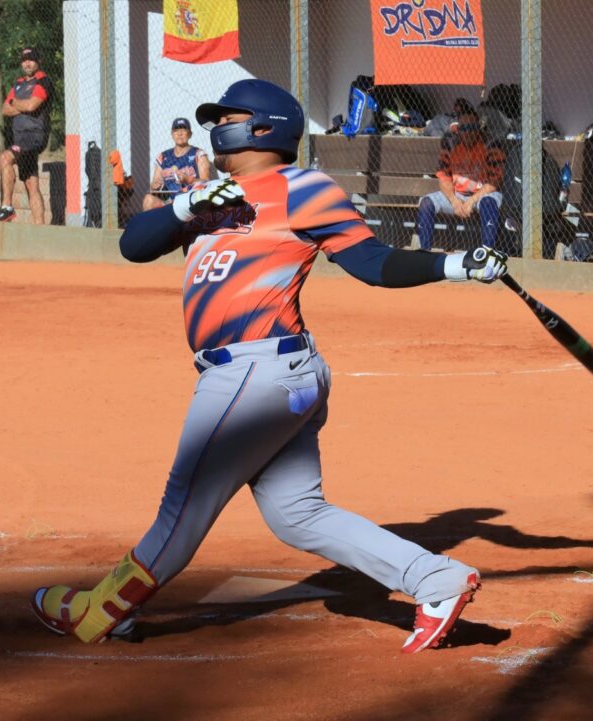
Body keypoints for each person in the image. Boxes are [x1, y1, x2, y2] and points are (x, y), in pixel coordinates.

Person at [28, 79, 508, 655]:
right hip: (267, 377)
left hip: (255, 373)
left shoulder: (303, 188)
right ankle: (435, 579)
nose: (215, 129)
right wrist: (185, 204)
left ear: (263, 127)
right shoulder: (208, 196)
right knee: (297, 514)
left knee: (183, 509)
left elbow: (372, 263)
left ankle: (100, 611)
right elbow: (134, 245)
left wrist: (453, 264)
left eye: (227, 119)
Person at [417, 103, 506, 251]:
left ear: (478, 128)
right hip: (456, 195)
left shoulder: (491, 143)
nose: (468, 132)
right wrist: (454, 201)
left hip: (483, 194)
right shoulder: (450, 143)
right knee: (426, 203)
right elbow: (444, 178)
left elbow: (495, 181)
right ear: (458, 130)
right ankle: (424, 252)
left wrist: (471, 200)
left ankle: (487, 252)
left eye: (472, 128)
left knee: (489, 203)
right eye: (464, 128)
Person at [0, 47, 53, 224]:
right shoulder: (18, 83)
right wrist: (20, 105)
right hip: (20, 139)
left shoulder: (43, 81)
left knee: (5, 157)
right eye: (24, 60)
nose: (27, 63)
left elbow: (32, 106)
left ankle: (7, 208)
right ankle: (40, 227)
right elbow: (5, 109)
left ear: (38, 62)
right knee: (31, 183)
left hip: (34, 137)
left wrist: (14, 103)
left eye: (31, 59)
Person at [142, 117, 213, 211]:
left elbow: (206, 182)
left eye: (183, 129)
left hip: (189, 198)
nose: (180, 133)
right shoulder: (163, 156)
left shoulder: (198, 154)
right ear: (172, 134)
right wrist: (155, 185)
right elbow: (154, 184)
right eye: (176, 130)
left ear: (190, 134)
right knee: (148, 200)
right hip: (168, 200)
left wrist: (188, 179)